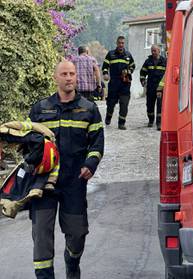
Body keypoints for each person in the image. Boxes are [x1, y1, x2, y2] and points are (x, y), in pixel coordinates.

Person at [29, 60, 104, 279]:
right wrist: (33, 160)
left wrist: (90, 165)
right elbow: (28, 141)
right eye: (64, 73)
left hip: (74, 181)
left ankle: (72, 262)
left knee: (77, 234)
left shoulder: (89, 109)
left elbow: (97, 142)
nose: (69, 77)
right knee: (41, 234)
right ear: (56, 78)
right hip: (43, 183)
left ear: (76, 77)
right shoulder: (40, 109)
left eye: (72, 73)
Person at [102, 36, 135, 130]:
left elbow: (133, 65)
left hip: (125, 84)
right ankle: (108, 116)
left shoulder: (128, 55)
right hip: (114, 84)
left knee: (124, 104)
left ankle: (121, 123)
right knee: (111, 104)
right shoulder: (111, 54)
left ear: (124, 44)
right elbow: (105, 66)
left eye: (122, 43)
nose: (121, 45)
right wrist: (105, 74)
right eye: (119, 43)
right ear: (116, 43)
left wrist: (128, 71)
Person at [140, 44, 167, 130]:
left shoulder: (164, 61)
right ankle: (151, 120)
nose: (153, 52)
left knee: (160, 105)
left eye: (155, 51)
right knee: (149, 105)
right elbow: (143, 72)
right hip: (151, 87)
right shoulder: (148, 61)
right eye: (152, 51)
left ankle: (159, 123)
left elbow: (168, 74)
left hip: (160, 88)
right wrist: (143, 80)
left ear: (159, 51)